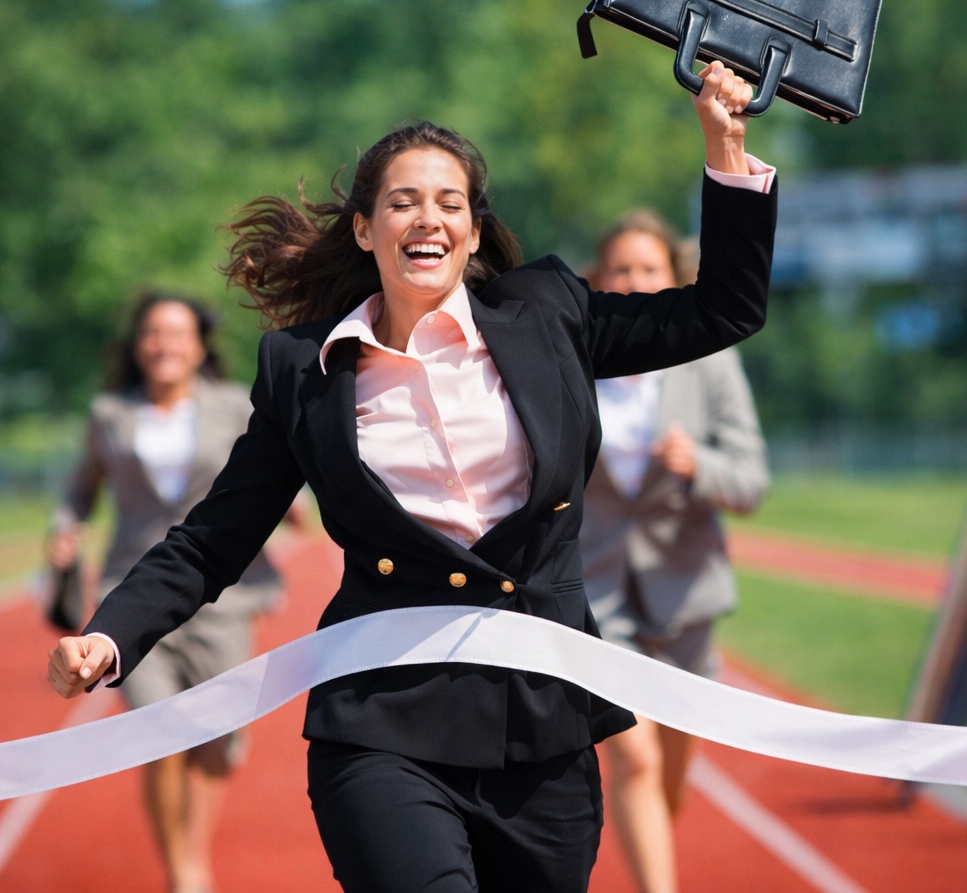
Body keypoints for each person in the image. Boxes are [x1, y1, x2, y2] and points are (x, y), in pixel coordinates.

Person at [48, 61, 777, 893]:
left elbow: (726, 308)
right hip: (382, 727)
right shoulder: (303, 370)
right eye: (402, 201)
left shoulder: (550, 312)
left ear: (471, 233)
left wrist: (724, 144)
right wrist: (108, 638)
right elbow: (214, 539)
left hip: (543, 729)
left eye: (449, 203)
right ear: (365, 229)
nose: (426, 218)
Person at [45, 292, 306, 893]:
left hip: (224, 596)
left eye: (178, 333)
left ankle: (195, 848)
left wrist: (293, 503)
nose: (165, 344)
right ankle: (185, 871)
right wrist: (66, 526)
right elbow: (80, 488)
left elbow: (264, 470)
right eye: (153, 334)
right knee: (159, 731)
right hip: (131, 593)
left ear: (199, 345)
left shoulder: (234, 403)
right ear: (138, 347)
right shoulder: (111, 413)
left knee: (216, 741)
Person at [579, 212, 770, 893]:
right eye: (621, 270)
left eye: (649, 270)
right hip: (596, 598)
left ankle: (647, 862)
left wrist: (701, 467)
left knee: (668, 779)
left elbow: (751, 480)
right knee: (631, 757)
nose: (635, 282)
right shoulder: (574, 358)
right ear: (597, 282)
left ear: (674, 278)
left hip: (686, 598)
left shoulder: (710, 359)